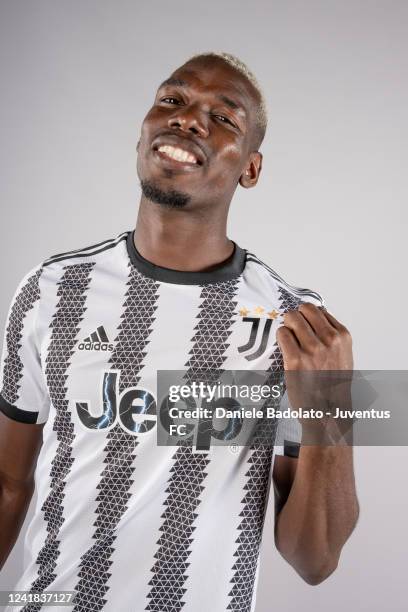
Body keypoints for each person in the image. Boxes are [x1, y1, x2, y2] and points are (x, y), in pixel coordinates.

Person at [0, 52, 359, 612]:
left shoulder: (294, 321)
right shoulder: (50, 289)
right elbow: (7, 482)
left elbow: (315, 561)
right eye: (173, 99)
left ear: (251, 168)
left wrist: (332, 406)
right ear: (142, 133)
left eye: (224, 117)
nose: (188, 118)